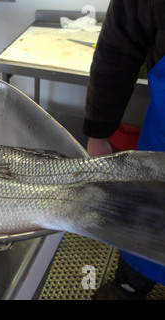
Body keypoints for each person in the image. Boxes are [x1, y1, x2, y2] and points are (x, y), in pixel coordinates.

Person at [83, 0, 165, 299]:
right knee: (146, 220)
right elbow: (117, 51)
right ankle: (130, 284)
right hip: (161, 146)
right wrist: (98, 135)